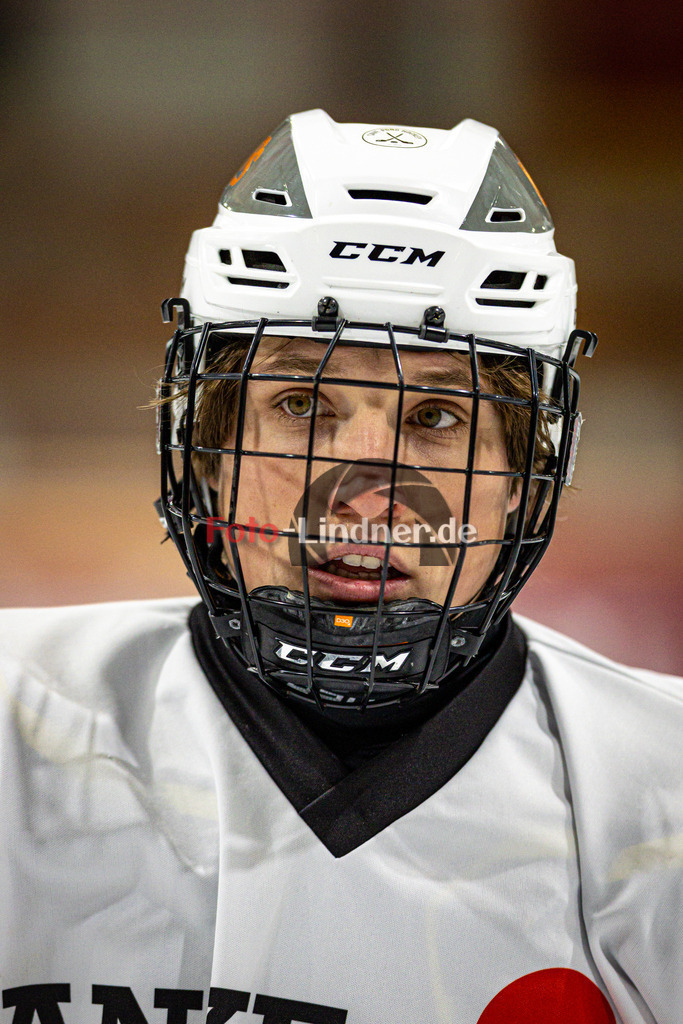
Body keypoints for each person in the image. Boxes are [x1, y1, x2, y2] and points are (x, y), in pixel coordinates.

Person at [0, 110, 679, 1024]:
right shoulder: (12, 727)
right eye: (299, 403)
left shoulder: (660, 793)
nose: (361, 493)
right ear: (205, 450)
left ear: (522, 480)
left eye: (436, 417)